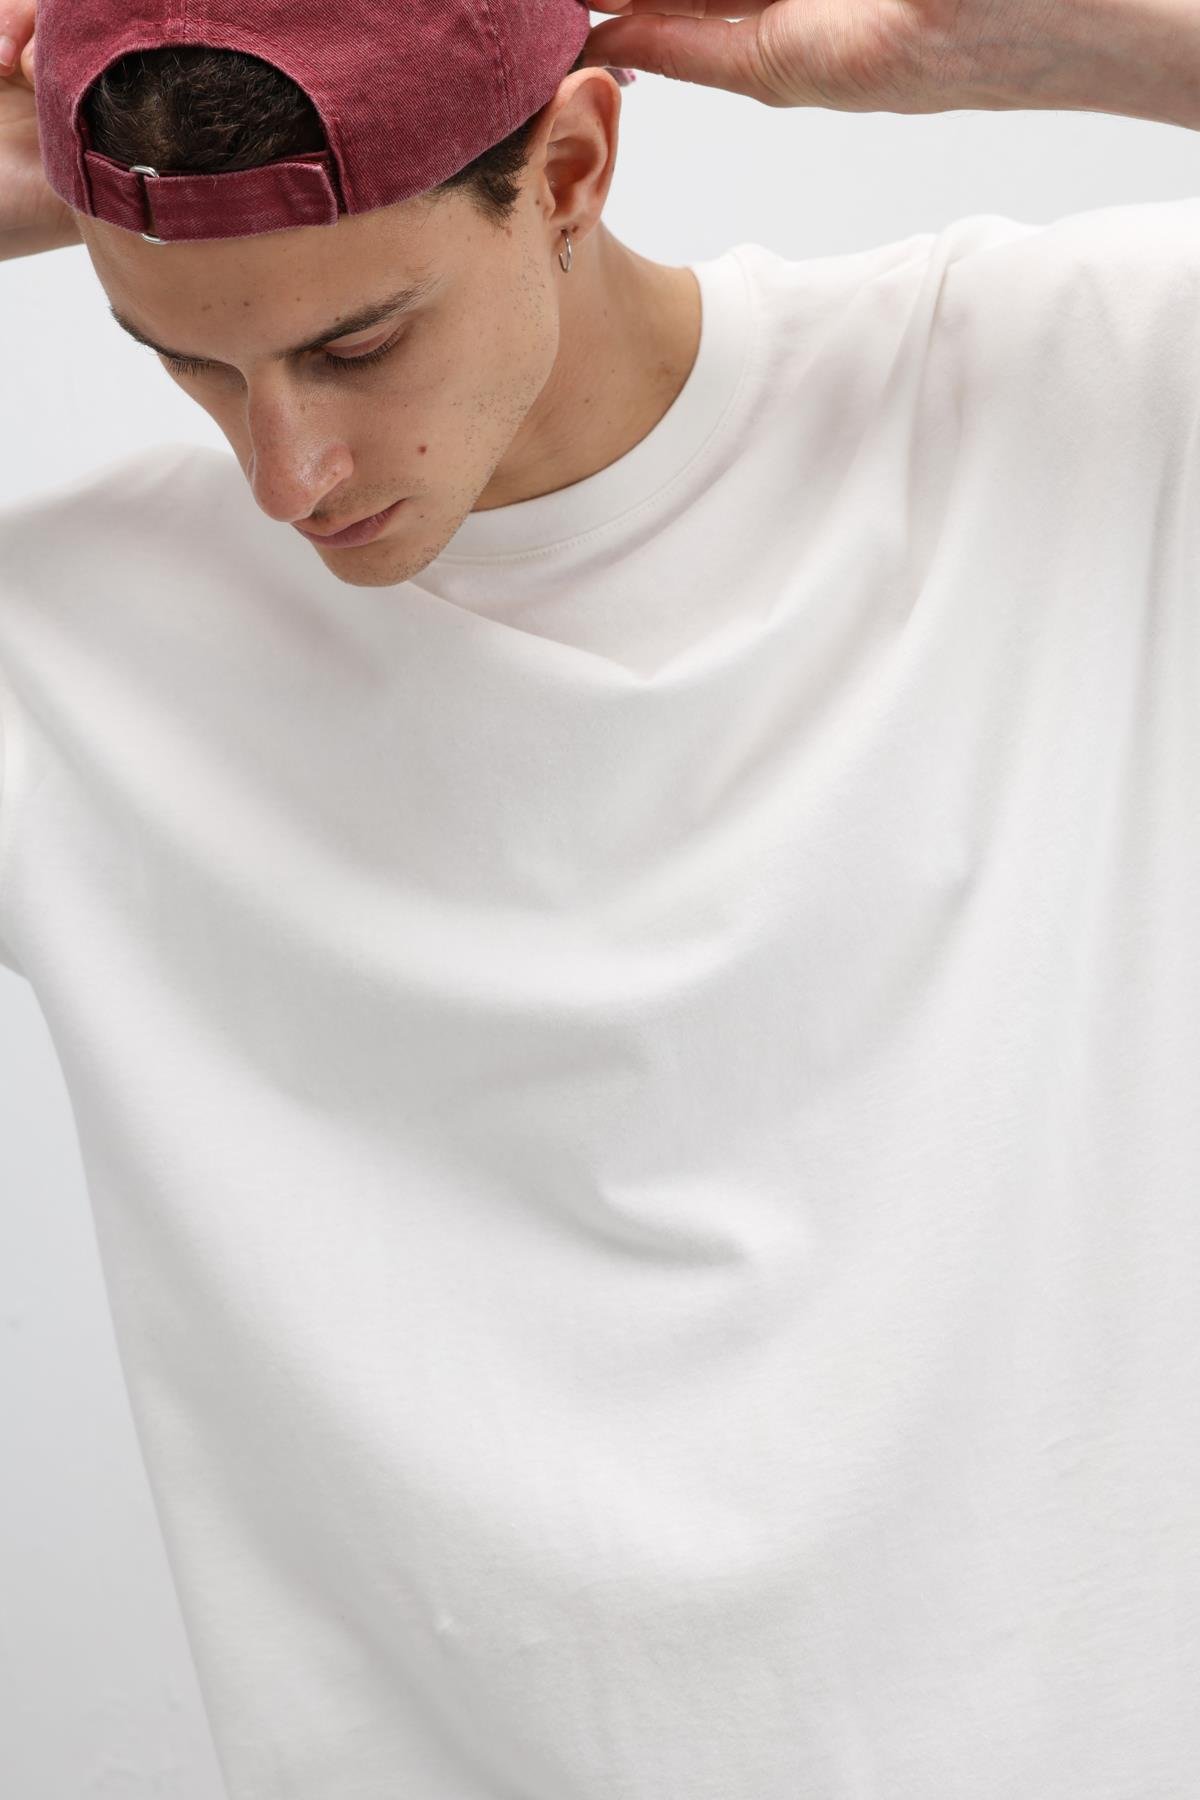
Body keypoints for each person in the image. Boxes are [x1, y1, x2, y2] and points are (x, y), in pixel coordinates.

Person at [1, 2, 1197, 1797]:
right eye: (192, 366)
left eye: (356, 344)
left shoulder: (1067, 395)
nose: (287, 473)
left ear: (571, 167)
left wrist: (1052, 45)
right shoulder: (73, 657)